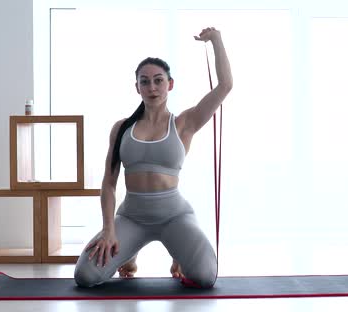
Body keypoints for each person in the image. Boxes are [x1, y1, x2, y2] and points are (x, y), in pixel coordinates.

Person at [73, 27, 232, 289]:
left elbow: (225, 86)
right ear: (137, 87)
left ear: (170, 84)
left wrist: (216, 39)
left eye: (159, 80)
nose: (152, 87)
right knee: (85, 276)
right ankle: (130, 252)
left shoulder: (184, 123)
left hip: (174, 216)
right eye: (144, 81)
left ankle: (177, 252)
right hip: (132, 217)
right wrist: (109, 229)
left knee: (205, 276)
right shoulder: (121, 128)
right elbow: (109, 184)